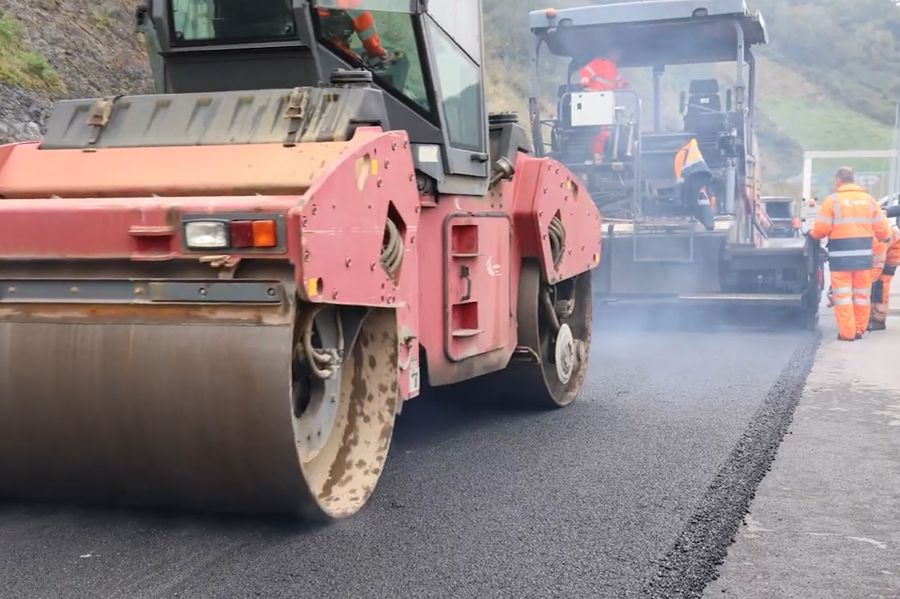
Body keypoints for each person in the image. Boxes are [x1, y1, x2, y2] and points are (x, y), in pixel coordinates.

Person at [809, 167, 891, 341]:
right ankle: (860, 329)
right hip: (863, 259)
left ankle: (847, 333)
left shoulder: (832, 201)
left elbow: (821, 229)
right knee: (862, 295)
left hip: (841, 259)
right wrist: (885, 238)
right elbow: (883, 230)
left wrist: (812, 235)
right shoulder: (869, 201)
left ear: (838, 180)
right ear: (853, 180)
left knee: (843, 296)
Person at [579, 48, 626, 163]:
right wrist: (585, 79)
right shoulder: (598, 63)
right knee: (597, 131)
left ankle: (600, 155)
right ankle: (595, 155)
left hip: (606, 103)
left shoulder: (613, 68)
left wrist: (623, 84)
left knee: (605, 131)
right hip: (593, 101)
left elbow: (619, 81)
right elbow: (586, 71)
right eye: (616, 51)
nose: (618, 54)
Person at [317, 1, 388, 63]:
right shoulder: (352, 2)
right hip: (339, 57)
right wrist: (378, 52)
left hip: (312, 54)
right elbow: (369, 41)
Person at [674, 138, 716, 231]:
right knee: (702, 199)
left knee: (694, 200)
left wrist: (679, 201)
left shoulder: (681, 154)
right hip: (703, 174)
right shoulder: (692, 148)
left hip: (694, 176)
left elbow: (679, 178)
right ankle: (709, 224)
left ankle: (701, 221)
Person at [869, 206, 900, 330]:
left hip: (891, 252)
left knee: (879, 283)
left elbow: (875, 268)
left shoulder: (878, 234)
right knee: (877, 283)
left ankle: (877, 318)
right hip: (891, 248)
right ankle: (874, 317)